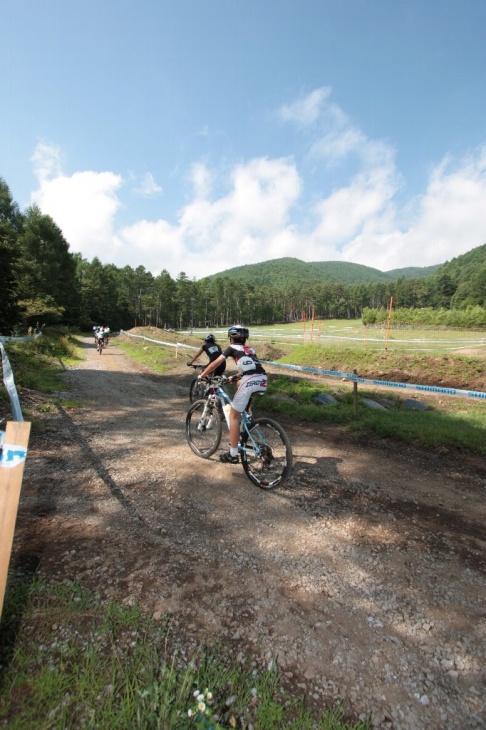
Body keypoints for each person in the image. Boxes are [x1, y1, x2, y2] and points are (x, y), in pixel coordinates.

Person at [199, 325, 267, 464]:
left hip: (250, 381)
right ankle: (247, 417)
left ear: (231, 338)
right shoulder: (250, 349)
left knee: (233, 415)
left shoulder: (231, 348)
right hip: (262, 379)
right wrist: (234, 377)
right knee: (239, 385)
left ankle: (233, 454)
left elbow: (215, 364)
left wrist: (202, 374)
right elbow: (251, 368)